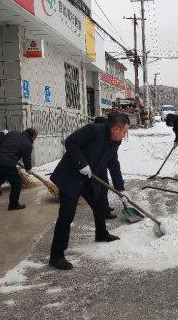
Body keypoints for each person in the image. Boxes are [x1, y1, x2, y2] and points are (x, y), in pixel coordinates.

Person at [49, 113, 131, 270]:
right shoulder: (94, 130)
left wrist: (121, 189)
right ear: (115, 128)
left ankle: (101, 233)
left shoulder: (115, 141)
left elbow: (113, 164)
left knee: (100, 204)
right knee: (66, 216)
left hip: (89, 178)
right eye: (124, 131)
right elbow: (71, 142)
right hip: (71, 177)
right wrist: (82, 163)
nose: (125, 135)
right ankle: (56, 255)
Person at [0, 128, 37, 211]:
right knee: (17, 182)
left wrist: (0, 153)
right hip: (7, 163)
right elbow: (26, 158)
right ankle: (13, 205)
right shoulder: (27, 143)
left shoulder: (12, 133)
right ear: (33, 136)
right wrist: (28, 168)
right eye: (35, 137)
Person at [93, 116, 117, 220]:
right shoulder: (95, 137)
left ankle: (105, 207)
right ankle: (104, 211)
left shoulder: (106, 137)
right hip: (93, 169)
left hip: (101, 167)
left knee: (105, 187)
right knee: (100, 191)